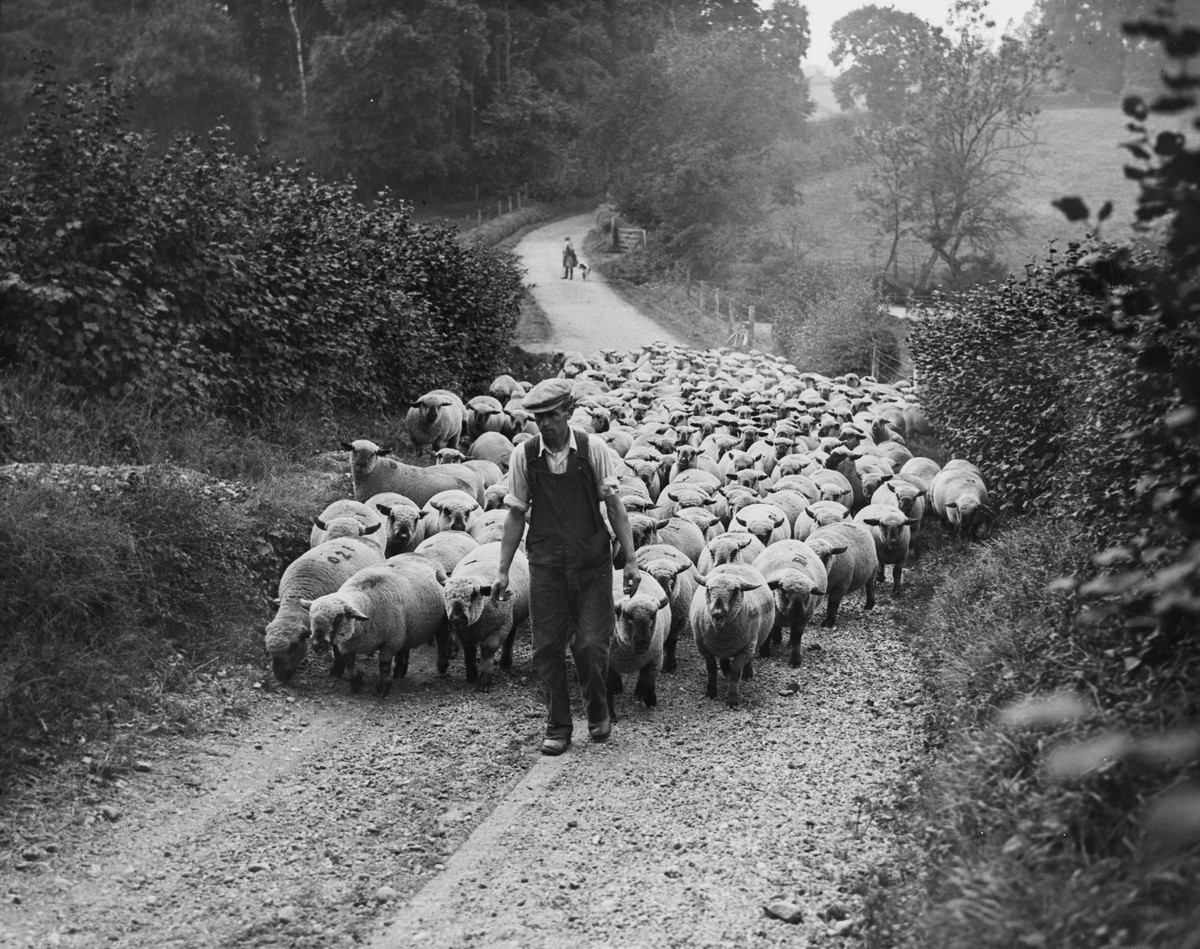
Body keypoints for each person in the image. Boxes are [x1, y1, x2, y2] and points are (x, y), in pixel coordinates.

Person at [491, 378, 640, 756]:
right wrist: (503, 569)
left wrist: (632, 559)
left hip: (590, 563)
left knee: (591, 643)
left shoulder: (594, 450)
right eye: (539, 418)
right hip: (545, 564)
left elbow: (614, 506)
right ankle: (557, 725)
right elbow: (515, 514)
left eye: (552, 416)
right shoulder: (524, 456)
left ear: (569, 413)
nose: (546, 425)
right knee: (546, 648)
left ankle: (597, 707)